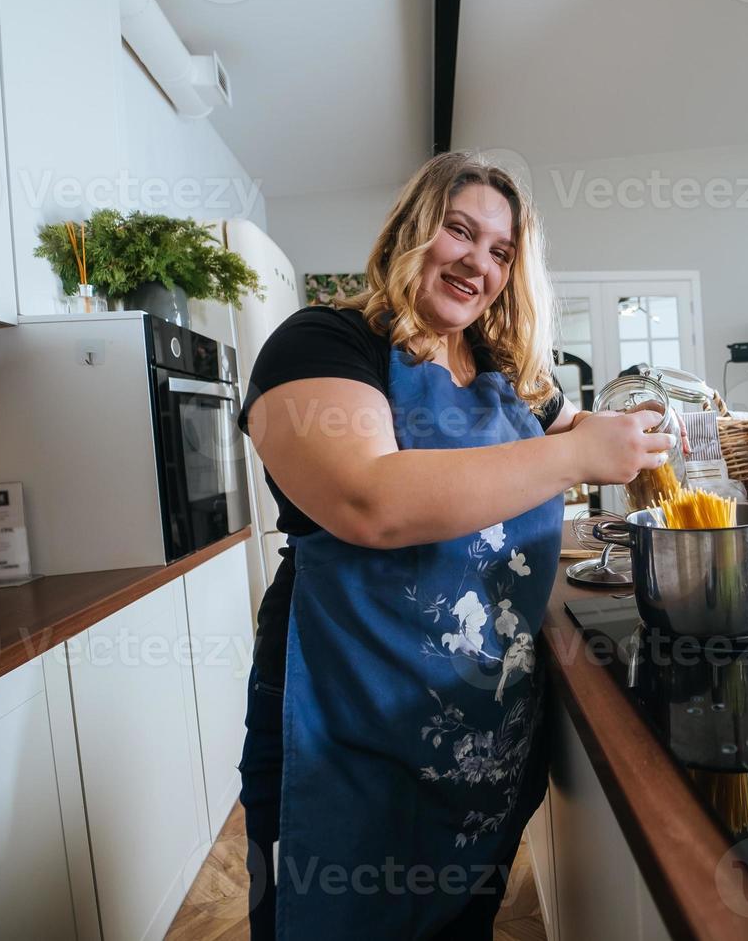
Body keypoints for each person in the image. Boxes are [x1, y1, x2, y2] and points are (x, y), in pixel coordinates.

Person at [237, 151, 675, 940]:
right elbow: (366, 501)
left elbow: (558, 433)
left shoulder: (506, 374)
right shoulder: (321, 343)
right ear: (413, 230)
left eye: (501, 251)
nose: (478, 262)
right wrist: (578, 455)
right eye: (460, 232)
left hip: (483, 731)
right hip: (348, 715)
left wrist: (628, 431)